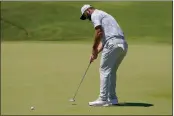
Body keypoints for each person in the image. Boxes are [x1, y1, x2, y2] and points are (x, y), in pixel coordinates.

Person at [80, 4, 128, 106]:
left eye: (86, 16)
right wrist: (95, 52)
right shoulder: (105, 15)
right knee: (111, 71)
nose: (88, 19)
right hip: (122, 44)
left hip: (113, 44)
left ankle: (102, 99)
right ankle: (112, 99)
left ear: (88, 11)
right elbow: (104, 40)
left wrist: (93, 49)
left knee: (104, 70)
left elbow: (98, 32)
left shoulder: (95, 15)